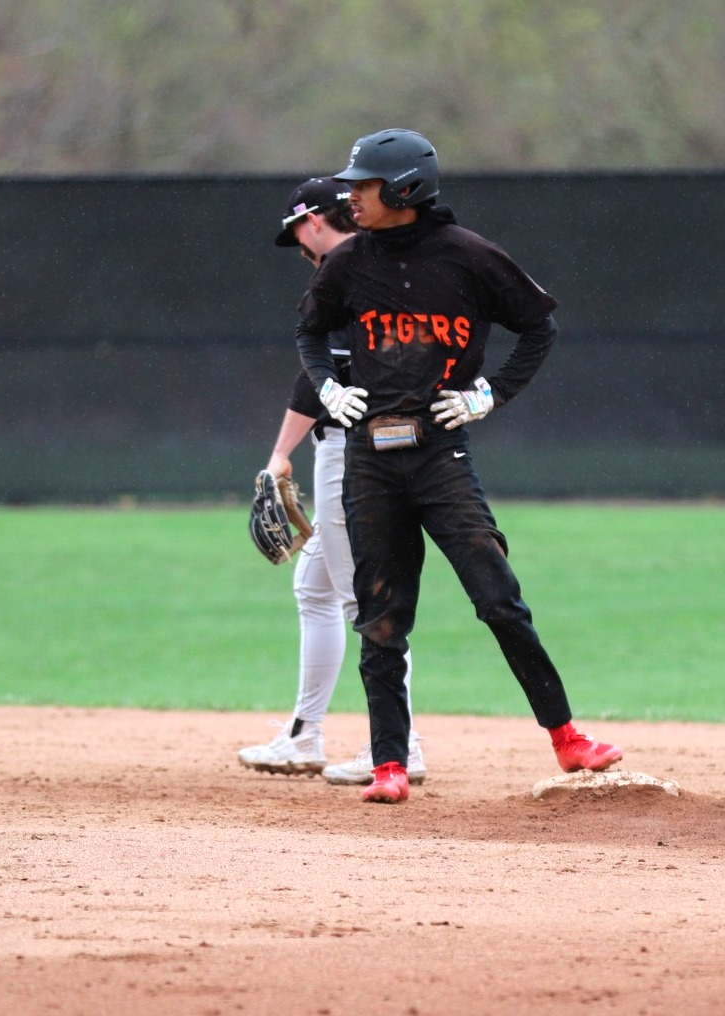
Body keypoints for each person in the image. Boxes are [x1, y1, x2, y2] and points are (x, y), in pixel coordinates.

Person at [294, 128, 623, 804]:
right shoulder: (347, 263)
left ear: (405, 189)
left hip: (439, 455)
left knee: (497, 598)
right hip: (369, 461)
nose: (351, 195)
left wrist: (489, 394)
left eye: (364, 184)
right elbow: (310, 331)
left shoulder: (469, 257)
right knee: (381, 618)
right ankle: (389, 766)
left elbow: (538, 326)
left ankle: (566, 737)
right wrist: (328, 385)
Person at [238, 177, 428, 786]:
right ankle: (304, 734)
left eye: (296, 228)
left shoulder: (347, 271)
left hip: (351, 453)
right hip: (359, 446)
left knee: (365, 601)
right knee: (316, 588)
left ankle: (401, 746)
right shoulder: (371, 267)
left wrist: (277, 456)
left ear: (313, 221)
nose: (294, 242)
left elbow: (317, 381)